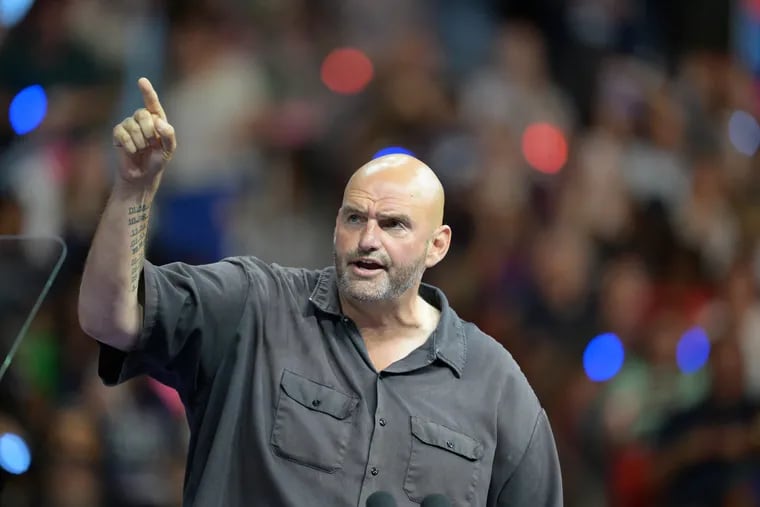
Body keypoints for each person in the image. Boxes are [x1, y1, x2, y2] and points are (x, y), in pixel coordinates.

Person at [78, 77, 563, 507]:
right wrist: (134, 189)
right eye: (355, 218)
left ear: (437, 246)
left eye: (393, 224)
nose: (368, 238)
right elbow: (108, 317)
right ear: (336, 226)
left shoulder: (496, 385)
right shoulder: (254, 305)